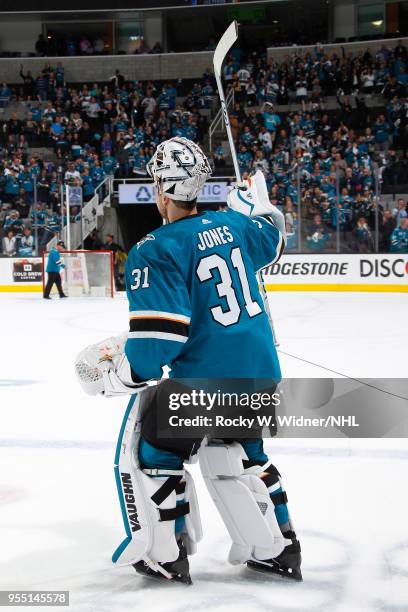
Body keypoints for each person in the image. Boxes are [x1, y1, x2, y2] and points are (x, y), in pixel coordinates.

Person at [75, 137, 301, 585]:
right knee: (242, 451)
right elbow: (273, 240)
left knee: (155, 447)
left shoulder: (155, 248)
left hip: (203, 386)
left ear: (161, 189)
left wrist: (125, 374)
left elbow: (158, 342)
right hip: (261, 378)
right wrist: (260, 206)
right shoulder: (234, 225)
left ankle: (165, 551)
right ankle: (279, 548)